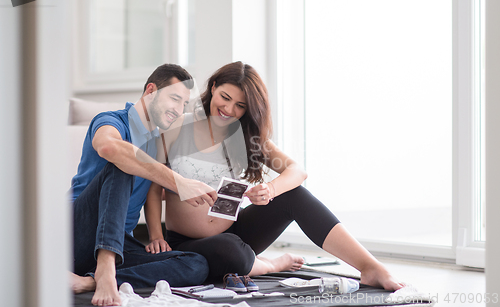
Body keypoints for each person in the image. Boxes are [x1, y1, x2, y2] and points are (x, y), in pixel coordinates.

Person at [144, 61, 404, 291]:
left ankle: (370, 266)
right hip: (190, 243)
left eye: (240, 106)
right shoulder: (178, 127)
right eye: (225, 97)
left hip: (237, 232)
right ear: (213, 88)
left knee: (294, 196)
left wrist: (270, 189)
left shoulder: (246, 139)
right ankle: (268, 265)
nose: (228, 109)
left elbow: (297, 171)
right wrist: (156, 235)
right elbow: (154, 187)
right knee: (230, 250)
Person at [70, 64, 217, 307]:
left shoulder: (156, 143)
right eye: (174, 99)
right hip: (75, 233)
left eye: (184, 104)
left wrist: (156, 235)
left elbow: (152, 190)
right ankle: (105, 268)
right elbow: (109, 147)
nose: (179, 110)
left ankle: (89, 281)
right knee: (123, 161)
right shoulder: (111, 120)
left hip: (120, 243)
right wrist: (179, 182)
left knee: (196, 264)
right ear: (151, 91)